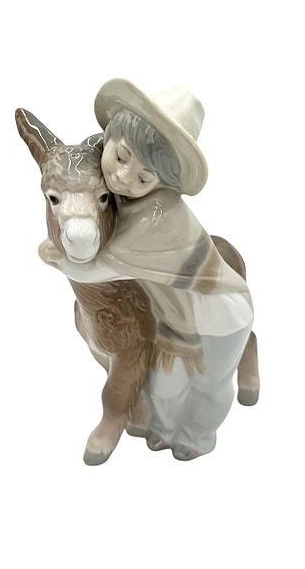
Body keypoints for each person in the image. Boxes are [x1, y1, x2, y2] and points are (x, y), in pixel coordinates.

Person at [52, 79, 255, 460]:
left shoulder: (162, 214)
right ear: (108, 138)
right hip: (173, 308)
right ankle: (167, 427)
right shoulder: (127, 195)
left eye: (144, 177)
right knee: (165, 380)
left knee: (207, 382)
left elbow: (99, 266)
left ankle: (198, 437)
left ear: (163, 184)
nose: (123, 178)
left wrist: (54, 253)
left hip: (218, 313)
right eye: (121, 156)